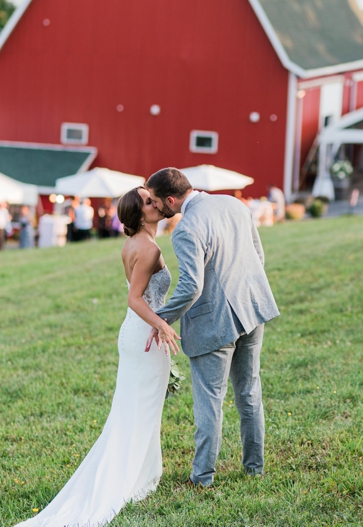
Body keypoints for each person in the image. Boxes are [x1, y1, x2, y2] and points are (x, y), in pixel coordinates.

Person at [16, 188, 180, 526]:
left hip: (135, 334)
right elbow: (135, 299)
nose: (156, 203)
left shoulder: (131, 244)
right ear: (138, 215)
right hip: (144, 337)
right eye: (149, 202)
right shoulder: (148, 249)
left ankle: (142, 475)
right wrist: (162, 325)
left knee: (133, 410)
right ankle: (127, 481)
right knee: (139, 411)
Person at [146, 167, 281, 488]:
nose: (153, 208)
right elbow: (258, 256)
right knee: (249, 393)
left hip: (214, 322)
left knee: (210, 401)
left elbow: (191, 287)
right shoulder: (235, 205)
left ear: (169, 200)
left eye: (153, 201)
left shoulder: (185, 229)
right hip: (253, 309)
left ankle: (202, 476)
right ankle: (254, 468)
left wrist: (160, 319)